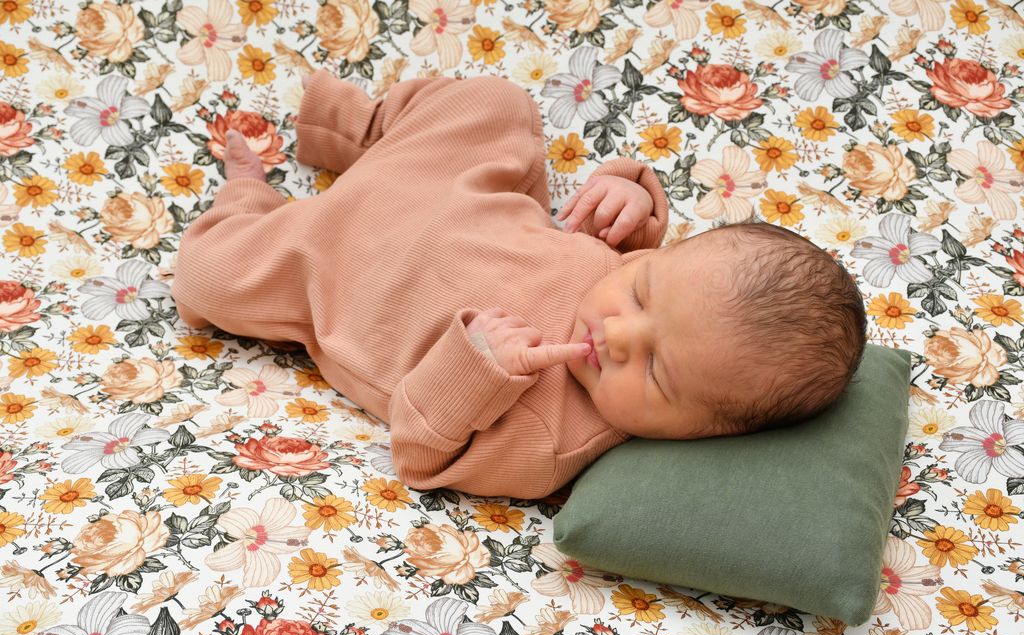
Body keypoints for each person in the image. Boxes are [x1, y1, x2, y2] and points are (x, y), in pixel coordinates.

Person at [171, 71, 866, 499]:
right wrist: (628, 203)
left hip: (326, 266)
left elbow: (419, 452)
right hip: (454, 189)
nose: (617, 335)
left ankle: (248, 201)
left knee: (206, 279)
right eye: (643, 294)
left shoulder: (547, 443)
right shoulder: (647, 279)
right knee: (497, 103)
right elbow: (613, 247)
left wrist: (472, 371)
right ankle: (353, 127)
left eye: (656, 370)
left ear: (696, 435)